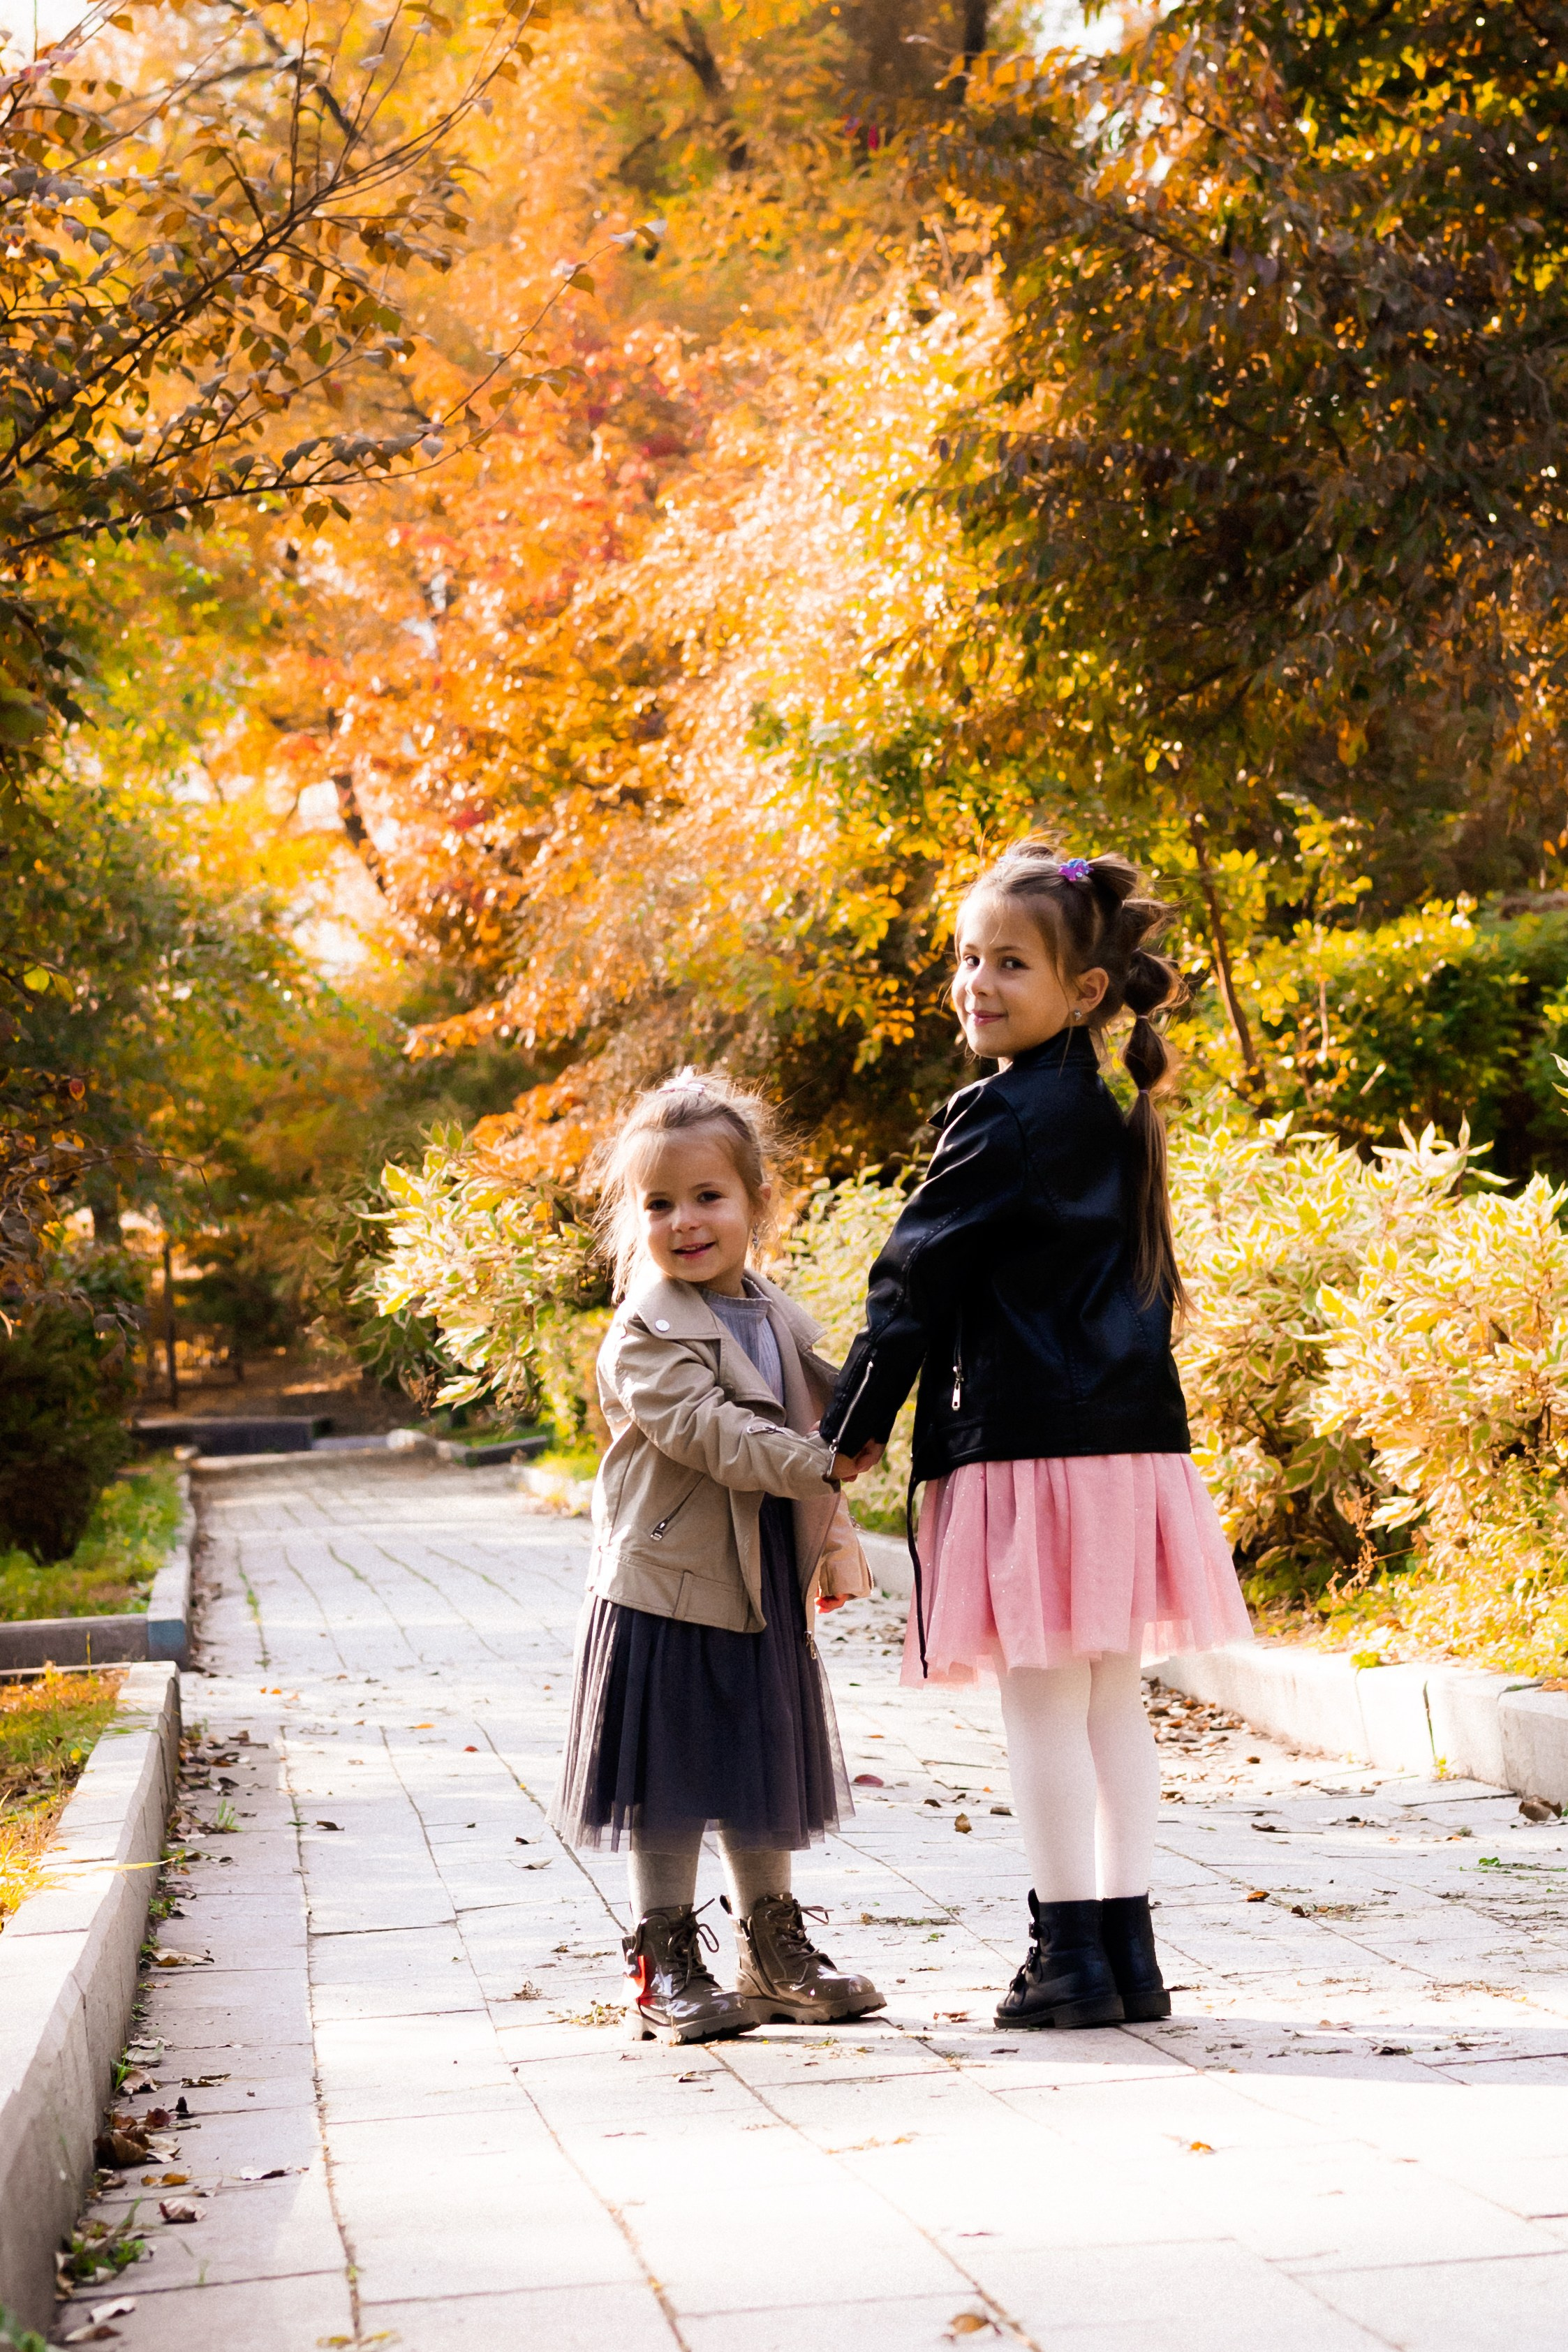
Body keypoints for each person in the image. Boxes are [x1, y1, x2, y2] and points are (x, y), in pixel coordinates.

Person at [820, 841, 1252, 2030]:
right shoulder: (1106, 1114)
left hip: (1034, 1449)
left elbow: (907, 1279)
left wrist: (847, 1433)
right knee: (1111, 1701)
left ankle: (1066, 1954)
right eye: (967, 958)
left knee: (1044, 1705)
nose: (978, 982)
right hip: (1124, 1449)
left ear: (1084, 992)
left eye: (1009, 961)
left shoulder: (1003, 1116)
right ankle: (1125, 1952)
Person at [551, 1071, 885, 2046]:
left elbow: (828, 1395)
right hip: (669, 1585)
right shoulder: (643, 1335)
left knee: (758, 1762)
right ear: (634, 1217)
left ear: (753, 1203)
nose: (684, 1220)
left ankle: (772, 1949)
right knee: (669, 1774)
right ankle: (663, 1956)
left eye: (708, 1196)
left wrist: (885, 1394)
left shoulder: (773, 1314)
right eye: (659, 1202)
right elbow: (715, 1432)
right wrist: (824, 1458)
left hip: (758, 1583)